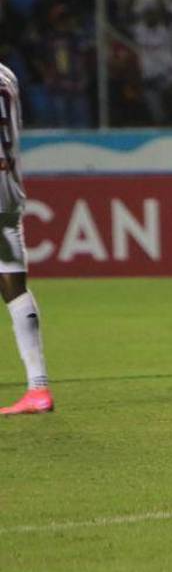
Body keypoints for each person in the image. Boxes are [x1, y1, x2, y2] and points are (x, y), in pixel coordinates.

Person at [0, 63, 53, 415]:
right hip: (8, 188)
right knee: (12, 282)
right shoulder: (7, 75)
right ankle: (37, 387)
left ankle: (38, 387)